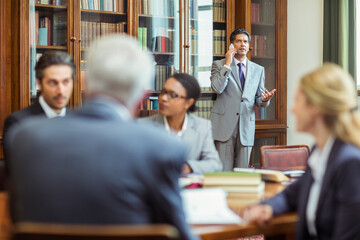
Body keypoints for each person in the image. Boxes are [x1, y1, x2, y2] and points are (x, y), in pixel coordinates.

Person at [7, 34, 198, 240]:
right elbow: (179, 233)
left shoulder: (24, 137)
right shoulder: (163, 147)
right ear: (143, 96)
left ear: (85, 82)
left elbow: (16, 219)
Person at [245, 64, 360, 240]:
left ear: (315, 107)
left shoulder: (350, 163)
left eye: (298, 100)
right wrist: (270, 206)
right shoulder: (321, 150)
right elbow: (295, 192)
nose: (293, 109)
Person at [210, 28, 276, 170]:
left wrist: (265, 99)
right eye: (238, 41)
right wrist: (227, 64)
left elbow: (259, 100)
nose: (242, 44)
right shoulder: (219, 65)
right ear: (231, 45)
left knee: (243, 172)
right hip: (224, 126)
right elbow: (217, 88)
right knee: (224, 172)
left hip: (246, 126)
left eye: (245, 41)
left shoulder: (258, 70)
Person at [142, 73, 222, 174]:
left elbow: (215, 164)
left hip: (189, 188)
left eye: (173, 95)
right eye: (163, 92)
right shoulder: (144, 126)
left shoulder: (202, 126)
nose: (163, 98)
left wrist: (188, 167)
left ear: (188, 103)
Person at [2, 51, 74, 160]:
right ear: (39, 83)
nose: (61, 91)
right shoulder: (18, 122)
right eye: (53, 83)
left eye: (66, 82)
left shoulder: (78, 120)